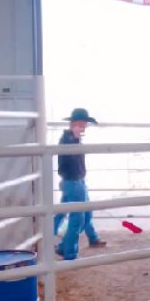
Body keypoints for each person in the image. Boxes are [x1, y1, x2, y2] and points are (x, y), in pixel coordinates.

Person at [53, 108, 106, 260]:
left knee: (76, 213)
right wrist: (76, 139)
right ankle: (69, 252)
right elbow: (71, 158)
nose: (86, 126)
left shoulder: (68, 138)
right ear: (78, 123)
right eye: (84, 123)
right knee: (78, 219)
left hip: (74, 181)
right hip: (74, 181)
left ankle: (61, 245)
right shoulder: (70, 139)